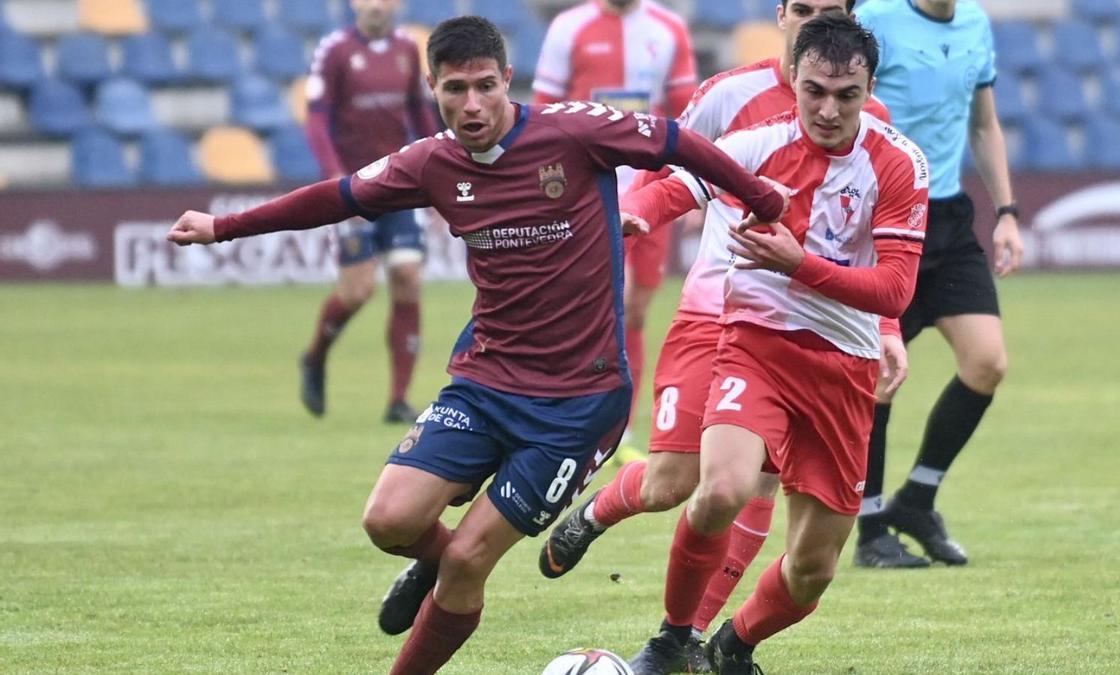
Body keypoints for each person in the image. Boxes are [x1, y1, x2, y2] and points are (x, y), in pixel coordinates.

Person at [167, 17, 787, 674]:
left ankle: (432, 602)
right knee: (387, 520)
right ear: (432, 87)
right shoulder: (430, 161)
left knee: (470, 559)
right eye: (455, 89)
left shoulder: (573, 131)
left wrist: (759, 197)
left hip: (578, 404)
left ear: (506, 80)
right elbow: (340, 196)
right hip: (485, 380)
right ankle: (431, 561)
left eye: (484, 87)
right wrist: (222, 228)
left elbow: (676, 140)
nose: (471, 105)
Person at [538, 1, 919, 669]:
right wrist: (631, 217)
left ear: (867, 87)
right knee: (703, 484)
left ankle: (724, 643)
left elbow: (890, 277)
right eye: (804, 9)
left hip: (841, 358)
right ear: (786, 28)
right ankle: (669, 632)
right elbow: (678, 180)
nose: (829, 108)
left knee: (811, 564)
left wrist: (883, 325)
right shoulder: (737, 113)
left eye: (846, 96)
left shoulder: (892, 153)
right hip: (735, 321)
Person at [851, 0, 1024, 568]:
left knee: (987, 363)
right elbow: (844, 109)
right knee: (877, 374)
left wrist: (1007, 211)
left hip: (949, 219)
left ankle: (916, 501)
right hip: (888, 216)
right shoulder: (876, 17)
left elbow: (983, 122)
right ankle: (870, 526)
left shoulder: (975, 23)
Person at [533, 0, 698, 461]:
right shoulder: (570, 27)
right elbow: (541, 113)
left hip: (651, 189)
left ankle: (616, 429)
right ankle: (572, 416)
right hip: (585, 190)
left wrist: (697, 189)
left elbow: (690, 117)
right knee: (590, 307)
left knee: (637, 309)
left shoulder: (668, 29)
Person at [299, 0, 441, 424]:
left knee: (407, 276)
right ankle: (314, 356)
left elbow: (419, 111)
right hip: (353, 188)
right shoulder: (335, 50)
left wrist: (442, 160)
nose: (377, 5)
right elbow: (317, 120)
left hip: (398, 183)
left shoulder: (407, 49)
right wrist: (335, 178)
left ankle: (398, 399)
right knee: (358, 290)